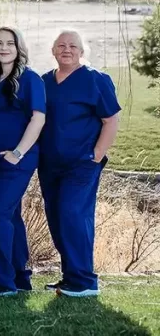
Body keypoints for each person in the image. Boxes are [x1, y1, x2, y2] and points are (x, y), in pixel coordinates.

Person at [40, 30, 120, 297]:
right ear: (53, 51)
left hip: (82, 164)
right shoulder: (44, 82)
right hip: (50, 165)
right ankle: (70, 276)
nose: (67, 49)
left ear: (81, 51)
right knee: (57, 218)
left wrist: (96, 154)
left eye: (73, 46)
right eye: (61, 45)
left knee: (73, 214)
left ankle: (86, 281)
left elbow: (110, 120)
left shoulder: (96, 80)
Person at [0, 26, 45, 297]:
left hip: (17, 161)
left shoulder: (30, 79)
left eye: (10, 43)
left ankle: (2, 283)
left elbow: (38, 118)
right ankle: (20, 279)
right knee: (10, 217)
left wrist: (18, 153)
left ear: (19, 48)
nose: (4, 48)